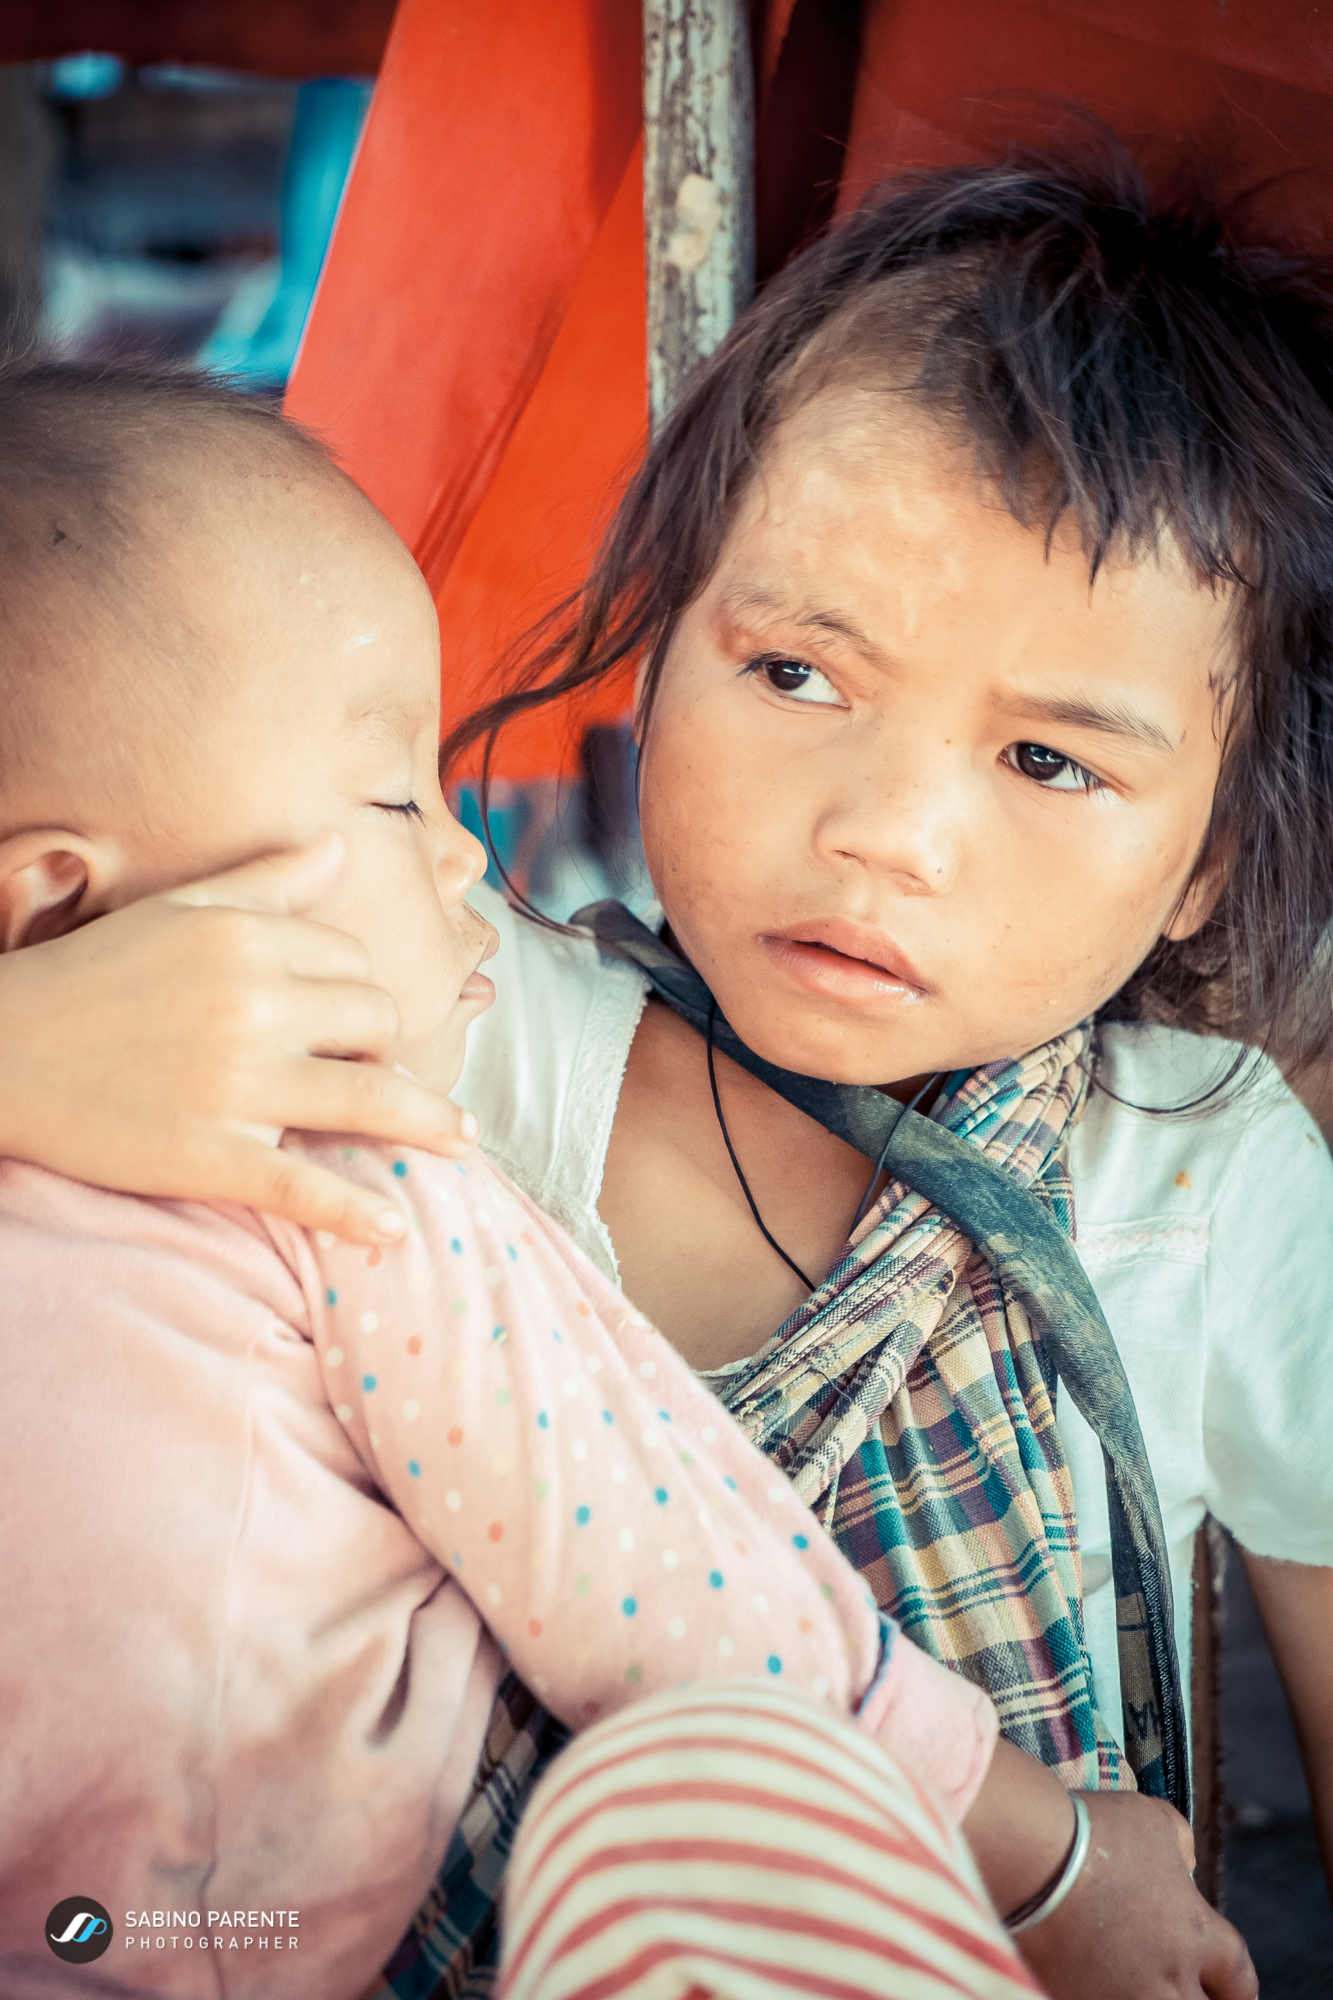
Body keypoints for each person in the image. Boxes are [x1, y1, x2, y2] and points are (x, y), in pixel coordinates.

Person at [6, 150, 1330, 1997]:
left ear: (1204, 851)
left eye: (1047, 764)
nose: (885, 833)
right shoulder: (426, 1027)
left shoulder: (1207, 1174)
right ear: (658, 639)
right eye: (793, 673)